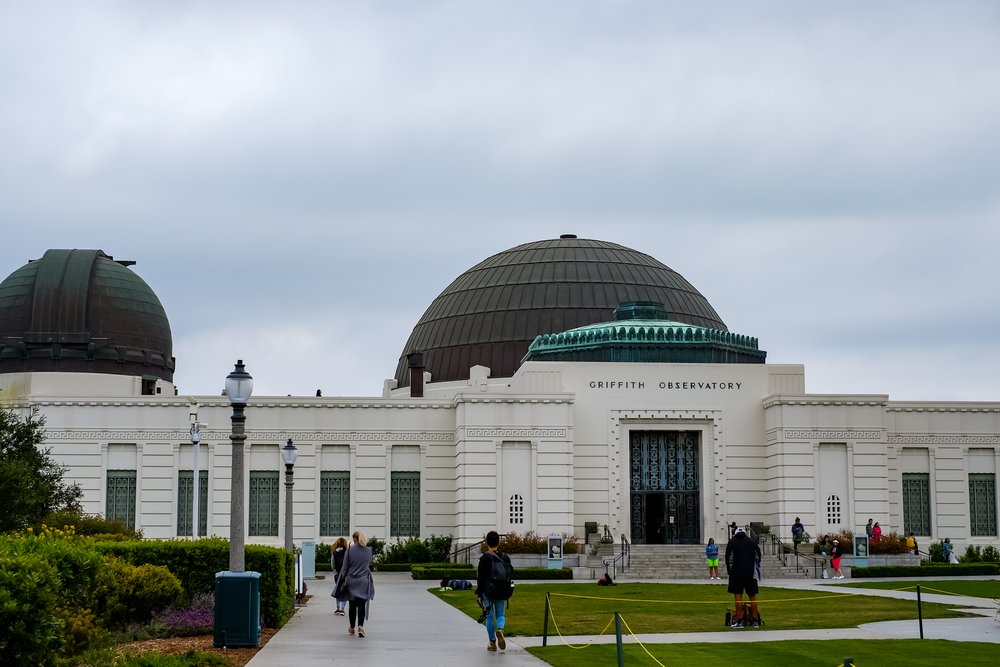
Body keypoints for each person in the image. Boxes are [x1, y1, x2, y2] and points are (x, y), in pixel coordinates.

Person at [477, 530, 513, 652]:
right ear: (498, 542)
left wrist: (479, 594)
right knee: (501, 614)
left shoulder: (484, 558)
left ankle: (492, 642)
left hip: (488, 592)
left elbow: (480, 579)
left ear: (487, 542)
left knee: (489, 616)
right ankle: (501, 629)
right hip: (502, 591)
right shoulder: (505, 557)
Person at [337, 531, 375, 638]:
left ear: (355, 539)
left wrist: (342, 580)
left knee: (352, 605)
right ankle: (361, 626)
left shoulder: (349, 551)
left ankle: (352, 627)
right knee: (362, 604)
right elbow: (368, 563)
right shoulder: (369, 551)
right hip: (364, 581)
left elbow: (344, 568)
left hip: (352, 581)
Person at [725, 527, 762, 628]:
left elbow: (728, 558)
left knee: (738, 596)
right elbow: (758, 556)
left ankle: (739, 621)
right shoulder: (752, 542)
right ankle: (755, 620)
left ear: (735, 533)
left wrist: (730, 571)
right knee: (753, 596)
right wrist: (755, 568)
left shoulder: (732, 542)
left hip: (736, 574)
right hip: (750, 573)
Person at [330, 537, 349, 616]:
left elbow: (332, 564)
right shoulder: (348, 552)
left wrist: (335, 571)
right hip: (346, 574)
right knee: (344, 591)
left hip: (337, 574)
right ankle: (342, 609)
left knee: (338, 590)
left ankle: (338, 608)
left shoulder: (334, 552)